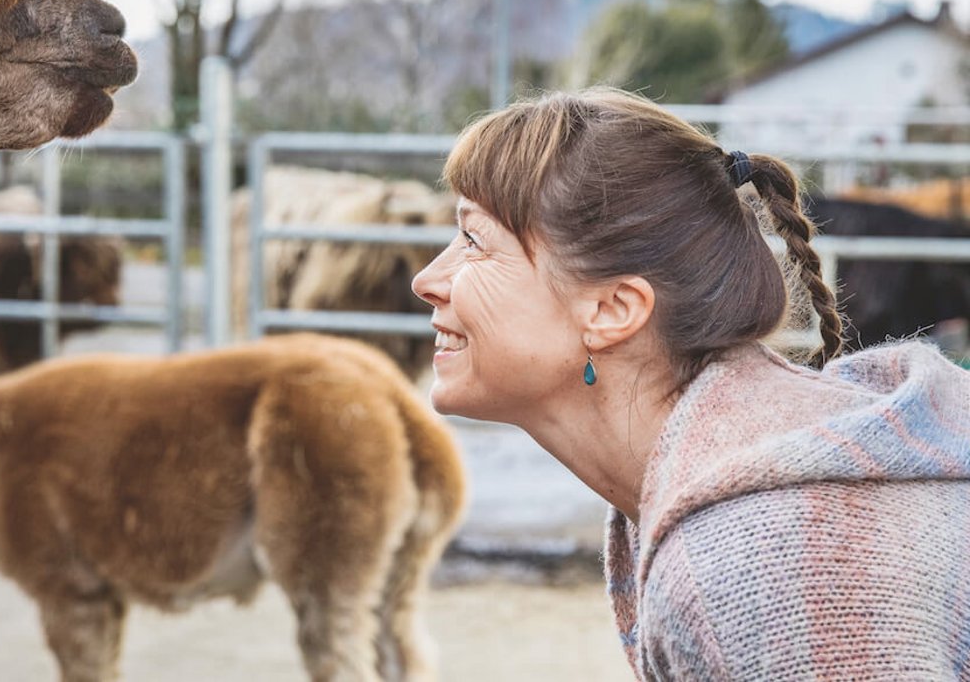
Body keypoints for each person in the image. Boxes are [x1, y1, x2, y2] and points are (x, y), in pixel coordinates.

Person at [411, 87, 970, 681]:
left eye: (474, 240)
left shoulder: (761, 561)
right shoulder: (730, 494)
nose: (427, 279)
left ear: (612, 309)